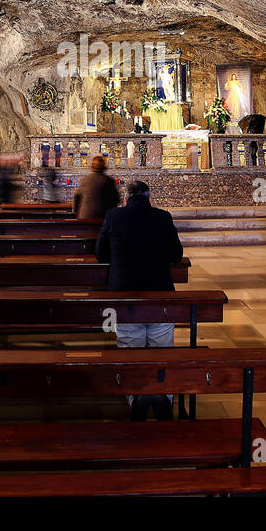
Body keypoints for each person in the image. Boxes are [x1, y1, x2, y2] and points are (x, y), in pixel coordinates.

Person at [96, 180, 184, 421]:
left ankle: (136, 397)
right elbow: (177, 254)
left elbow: (100, 254)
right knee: (161, 350)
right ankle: (162, 396)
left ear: (126, 198)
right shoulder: (163, 217)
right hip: (160, 296)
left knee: (130, 350)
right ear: (149, 197)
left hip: (125, 297)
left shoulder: (113, 217)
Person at [72, 154, 119, 221]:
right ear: (104, 167)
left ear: (92, 167)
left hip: (85, 217)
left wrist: (77, 214)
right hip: (103, 218)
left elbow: (76, 198)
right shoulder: (109, 181)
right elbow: (116, 200)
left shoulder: (85, 180)